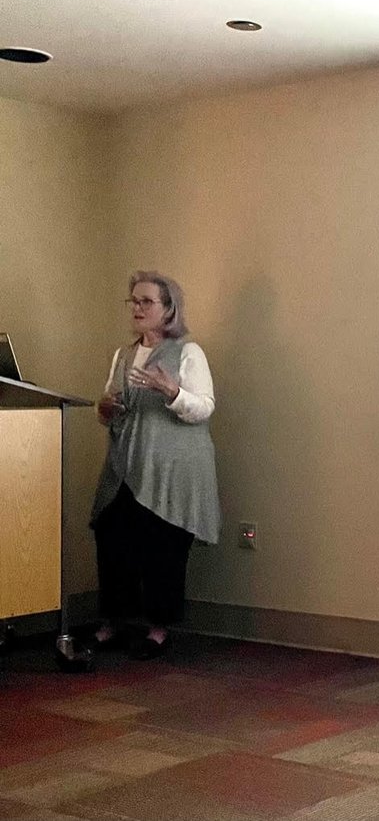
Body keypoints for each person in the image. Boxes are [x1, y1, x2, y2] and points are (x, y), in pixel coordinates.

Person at [90, 271, 221, 659]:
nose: (137, 308)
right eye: (133, 300)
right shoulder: (123, 355)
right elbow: (108, 409)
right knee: (112, 535)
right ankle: (114, 622)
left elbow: (205, 408)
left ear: (168, 310)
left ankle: (158, 629)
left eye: (147, 301)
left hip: (170, 472)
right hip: (126, 467)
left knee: (161, 544)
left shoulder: (188, 353)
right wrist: (105, 409)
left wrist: (172, 391)